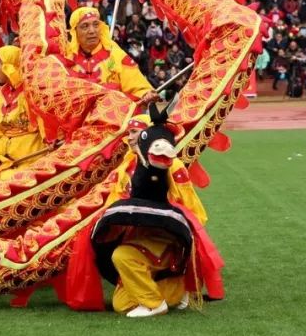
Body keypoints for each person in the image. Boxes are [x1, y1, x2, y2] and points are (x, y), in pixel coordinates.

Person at [72, 112, 223, 317]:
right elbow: (114, 198)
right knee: (121, 304)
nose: (130, 137)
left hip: (163, 234)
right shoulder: (125, 165)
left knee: (124, 256)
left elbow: (190, 206)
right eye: (129, 133)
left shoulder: (172, 165)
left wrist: (174, 228)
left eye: (135, 132)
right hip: (133, 231)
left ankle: (155, 302)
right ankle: (173, 293)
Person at [66, 7, 157, 102]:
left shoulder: (116, 55)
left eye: (96, 25)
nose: (92, 31)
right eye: (85, 26)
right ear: (74, 31)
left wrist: (146, 94)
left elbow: (139, 87)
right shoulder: (67, 58)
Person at [0, 45, 44, 164]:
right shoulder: (2, 93)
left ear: (7, 67)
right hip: (5, 146)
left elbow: (44, 123)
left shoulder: (30, 91)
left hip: (29, 149)